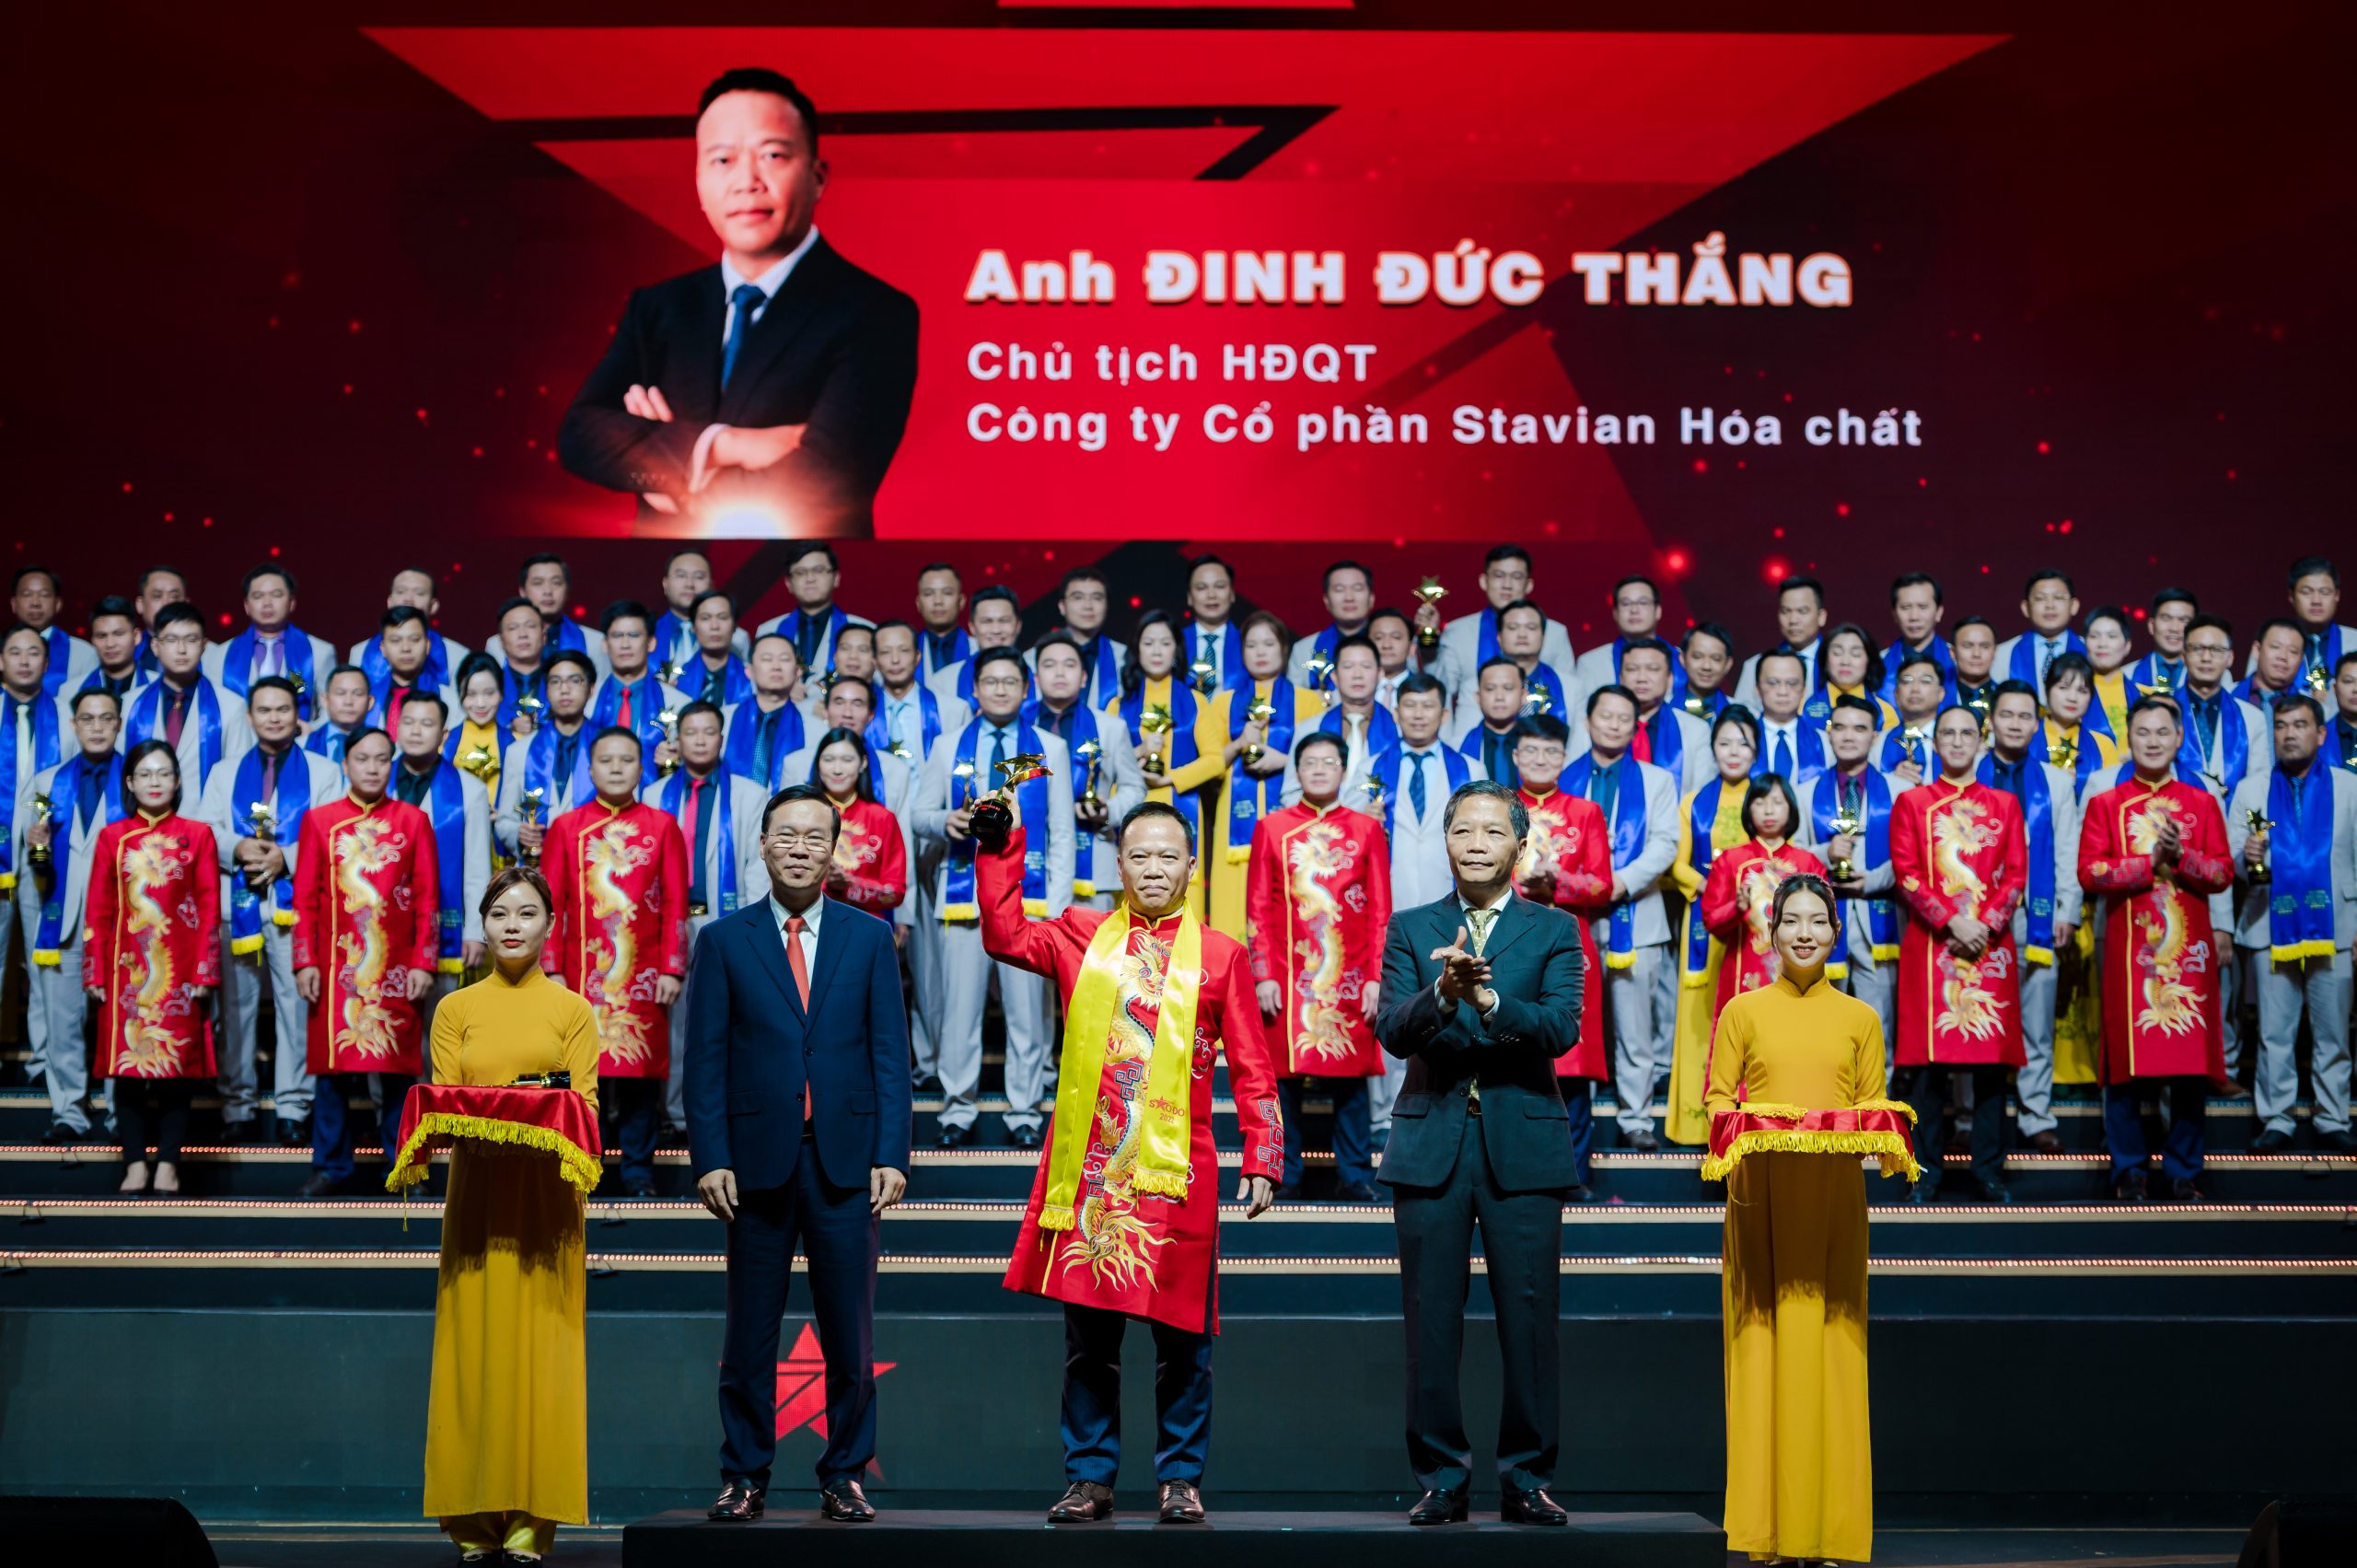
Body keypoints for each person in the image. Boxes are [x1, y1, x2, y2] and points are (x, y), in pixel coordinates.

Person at [973, 793, 1281, 1525]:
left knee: (1185, 1342)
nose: (1153, 868)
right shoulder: (1080, 934)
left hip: (1179, 1175)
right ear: (1118, 863)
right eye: (1139, 855)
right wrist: (999, 845)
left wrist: (1263, 1152)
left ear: (1192, 865)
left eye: (1168, 855)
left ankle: (1180, 1478)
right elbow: (1004, 934)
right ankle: (1090, 1477)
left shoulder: (1221, 954)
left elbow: (1253, 1064)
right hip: (1092, 1174)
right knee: (1089, 1343)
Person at [559, 66, 919, 535]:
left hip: (800, 568)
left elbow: (826, 479)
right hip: (664, 570)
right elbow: (581, 435)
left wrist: (671, 468)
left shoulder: (876, 312)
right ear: (699, 183)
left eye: (772, 155)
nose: (747, 180)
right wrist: (723, 445)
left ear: (817, 177)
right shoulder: (659, 308)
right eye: (723, 160)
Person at [686, 784, 912, 1525]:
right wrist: (710, 1155)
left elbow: (890, 1052)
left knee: (850, 1333)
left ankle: (844, 1472)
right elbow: (705, 1058)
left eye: (816, 836)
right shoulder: (724, 940)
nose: (800, 847)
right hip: (754, 1163)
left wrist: (892, 1151)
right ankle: (744, 1473)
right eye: (786, 834)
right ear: (762, 844)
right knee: (749, 1332)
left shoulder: (868, 938)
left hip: (846, 1161)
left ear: (834, 849)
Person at [1376, 779, 1584, 1527]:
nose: (1476, 844)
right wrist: (1442, 994)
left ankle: (1527, 1478)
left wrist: (1488, 1001)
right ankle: (1442, 1477)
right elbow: (1391, 1029)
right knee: (1431, 1321)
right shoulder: (1412, 926)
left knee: (1529, 1320)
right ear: (1446, 840)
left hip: (1523, 1144)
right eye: (1463, 830)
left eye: (1493, 832)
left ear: (1520, 846)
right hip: (1431, 1140)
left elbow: (1561, 1028)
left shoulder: (1555, 929)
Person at [1704, 874, 1896, 1568]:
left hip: (1835, 1196)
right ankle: (1767, 1531)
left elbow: (1873, 1106)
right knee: (1762, 1349)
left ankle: (1830, 1531)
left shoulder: (1860, 1017)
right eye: (1792, 921)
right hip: (1760, 1196)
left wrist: (1873, 1132)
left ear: (1836, 933)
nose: (1805, 932)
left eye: (1818, 921)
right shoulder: (1742, 1011)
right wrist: (1759, 1126)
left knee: (1833, 1349)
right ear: (1771, 931)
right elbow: (1718, 1103)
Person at [423, 866, 602, 1562]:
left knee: (543, 1354)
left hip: (548, 1204)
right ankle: (472, 1519)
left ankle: (534, 1518)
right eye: (499, 913)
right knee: (472, 1352)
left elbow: (585, 1108)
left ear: (550, 924)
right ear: (483, 923)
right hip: (476, 1197)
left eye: (527, 913)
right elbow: (443, 1101)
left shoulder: (573, 1010)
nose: (513, 925)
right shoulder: (455, 1008)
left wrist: (529, 1109)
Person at [912, 646, 1075, 1145]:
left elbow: (1062, 831)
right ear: (975, 689)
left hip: (1028, 901)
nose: (1000, 689)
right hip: (964, 896)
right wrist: (944, 820)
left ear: (1026, 689)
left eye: (1010, 681)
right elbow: (918, 815)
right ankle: (957, 1108)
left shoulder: (1048, 748)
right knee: (959, 1011)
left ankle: (1024, 1110)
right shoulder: (948, 746)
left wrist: (1058, 909)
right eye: (991, 681)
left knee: (1028, 1013)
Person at [2080, 698, 2235, 1201]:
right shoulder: (2106, 803)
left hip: (2188, 956)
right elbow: (2091, 872)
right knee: (2123, 1066)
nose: (2152, 741)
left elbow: (2221, 873)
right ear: (2130, 738)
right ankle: (2129, 1168)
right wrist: (2149, 863)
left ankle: (2183, 1169)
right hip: (2130, 954)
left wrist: (2182, 855)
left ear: (2178, 739)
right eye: (2143, 732)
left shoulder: (2202, 803)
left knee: (2189, 1068)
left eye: (2162, 732)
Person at [541, 728, 688, 1198]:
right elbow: (551, 905)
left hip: (644, 974)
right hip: (579, 974)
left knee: (641, 1074)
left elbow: (675, 903)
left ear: (641, 768)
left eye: (627, 760)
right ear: (590, 769)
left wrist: (672, 967)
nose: (617, 768)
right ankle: (584, 1164)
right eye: (607, 760)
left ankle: (637, 1169)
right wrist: (551, 968)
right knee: (582, 1075)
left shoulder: (662, 826)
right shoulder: (566, 827)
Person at [293, 728, 439, 1198]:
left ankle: (405, 1166)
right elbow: (306, 899)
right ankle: (331, 1166)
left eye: (381, 759)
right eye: (362, 759)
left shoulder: (413, 821)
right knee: (331, 1073)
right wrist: (304, 961)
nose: (372, 768)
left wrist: (424, 962)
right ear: (345, 764)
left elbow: (427, 898)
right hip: (333, 967)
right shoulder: (319, 822)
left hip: (396, 967)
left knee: (398, 1071)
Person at [1890, 706, 2027, 1203]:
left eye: (1966, 733)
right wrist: (1951, 920)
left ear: (1981, 742)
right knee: (1927, 1069)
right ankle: (1926, 1171)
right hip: (1933, 944)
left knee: (1991, 1068)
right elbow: (1907, 873)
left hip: (1989, 946)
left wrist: (1983, 924)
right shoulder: (1911, 802)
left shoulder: (2005, 804)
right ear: (1935, 743)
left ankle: (1989, 1170)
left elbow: (2016, 874)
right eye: (1946, 733)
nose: (1956, 741)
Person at [1248, 732, 1391, 1201]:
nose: (1319, 769)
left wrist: (1376, 977)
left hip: (1350, 972)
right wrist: (1263, 974)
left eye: (1329, 761)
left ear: (1343, 770)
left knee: (1350, 1077)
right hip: (1287, 973)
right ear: (1297, 770)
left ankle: (1354, 1172)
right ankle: (1285, 1172)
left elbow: (1380, 910)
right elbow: (1258, 907)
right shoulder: (1271, 827)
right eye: (1310, 762)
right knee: (1283, 1079)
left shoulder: (1366, 829)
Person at [195, 676, 337, 1146]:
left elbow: (331, 832)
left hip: (294, 909)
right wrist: (238, 847)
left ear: (298, 715)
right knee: (235, 1012)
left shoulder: (323, 771)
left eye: (283, 709)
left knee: (297, 1008)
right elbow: (204, 830)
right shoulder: (224, 772)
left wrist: (286, 858)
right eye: (264, 710)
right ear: (250, 717)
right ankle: (238, 1105)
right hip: (234, 909)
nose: (274, 718)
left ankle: (294, 1106)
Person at [84, 739, 221, 1194]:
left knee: (177, 1068)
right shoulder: (112, 837)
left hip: (180, 973)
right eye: (145, 774)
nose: (155, 782)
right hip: (125, 971)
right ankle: (134, 1163)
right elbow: (99, 910)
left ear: (177, 781)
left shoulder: (198, 835)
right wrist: (94, 972)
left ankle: (167, 1163)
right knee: (127, 1069)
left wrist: (205, 971)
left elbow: (209, 907)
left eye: (163, 773)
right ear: (129, 783)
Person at [2228, 695, 2357, 1153]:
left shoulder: (2349, 787)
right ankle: (2277, 1117)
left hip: (2337, 925)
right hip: (2270, 923)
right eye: (2281, 726)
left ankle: (2332, 1116)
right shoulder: (2253, 791)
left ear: (2321, 734)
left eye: (2300, 725)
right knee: (2273, 1033)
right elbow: (2235, 864)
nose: (2289, 734)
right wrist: (2248, 859)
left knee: (2333, 1033)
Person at [651, 701, 772, 1138]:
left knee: (732, 1020)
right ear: (677, 740)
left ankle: (732, 1112)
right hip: (669, 925)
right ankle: (676, 1115)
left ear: (721, 739)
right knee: (674, 1025)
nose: (700, 741)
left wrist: (754, 930)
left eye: (709, 732)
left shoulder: (750, 794)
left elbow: (758, 866)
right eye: (691, 733)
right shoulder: (654, 795)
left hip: (726, 922)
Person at [1569, 685, 1680, 1150]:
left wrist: (1621, 881)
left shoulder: (1656, 780)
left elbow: (1666, 842)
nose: (1613, 725)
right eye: (1605, 715)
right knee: (1574, 1019)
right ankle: (1571, 1112)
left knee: (1635, 1027)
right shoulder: (1565, 775)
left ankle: (1636, 1117)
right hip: (1573, 916)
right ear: (1588, 720)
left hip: (1636, 914)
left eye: (1623, 718)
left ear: (1635, 727)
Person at [1362, 674, 1471, 1146]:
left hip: (1452, 908)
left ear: (1444, 713)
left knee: (1449, 1006)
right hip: (1390, 906)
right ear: (1396, 712)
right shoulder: (1371, 767)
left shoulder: (1468, 766)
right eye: (1410, 706)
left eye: (1428, 706)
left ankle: (1447, 1108)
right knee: (1394, 1008)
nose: (1419, 714)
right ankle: (1384, 1119)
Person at [1167, 610, 1322, 943]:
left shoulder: (1309, 702)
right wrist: (1239, 744)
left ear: (1283, 649)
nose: (1260, 652)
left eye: (1269, 643)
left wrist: (1284, 761)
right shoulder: (1223, 704)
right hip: (1232, 827)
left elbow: (1323, 763)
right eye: (1252, 645)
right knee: (1233, 912)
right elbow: (1212, 764)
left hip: (1295, 820)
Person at [1507, 715, 1612, 1197]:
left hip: (1571, 946)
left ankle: (1573, 1175)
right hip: (1509, 941)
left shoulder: (1586, 812)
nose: (1540, 760)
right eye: (1530, 751)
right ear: (1515, 756)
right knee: (1513, 1061)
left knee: (1572, 1065)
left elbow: (1602, 884)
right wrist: (1519, 885)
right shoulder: (1498, 810)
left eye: (1550, 752)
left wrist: (1559, 882)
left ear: (1565, 758)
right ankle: (1515, 1173)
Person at [17, 688, 126, 1143]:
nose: (97, 727)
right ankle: (69, 1111)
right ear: (73, 725)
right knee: (63, 1020)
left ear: (119, 724)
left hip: (121, 919)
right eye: (88, 719)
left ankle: (122, 1112)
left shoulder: (137, 778)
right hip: (63, 915)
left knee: (121, 1019)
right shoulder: (46, 781)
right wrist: (37, 846)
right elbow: (37, 859)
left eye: (106, 718)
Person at [1978, 683, 2083, 1154]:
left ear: (2037, 725)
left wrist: (2067, 911)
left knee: (2036, 1022)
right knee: (1975, 1013)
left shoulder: (2056, 782)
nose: (2016, 724)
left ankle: (2035, 1113)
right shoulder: (1968, 773)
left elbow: (2067, 851)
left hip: (2035, 916)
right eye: (2007, 715)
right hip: (1980, 920)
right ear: (1991, 722)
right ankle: (1970, 1115)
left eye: (2025, 717)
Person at [1666, 707, 1762, 1146]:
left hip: (1757, 924)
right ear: (1713, 749)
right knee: (1702, 1020)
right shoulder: (1693, 803)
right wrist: (1716, 886)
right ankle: (1697, 1123)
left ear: (1756, 750)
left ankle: (1756, 1115)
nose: (1733, 751)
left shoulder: (1766, 799)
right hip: (1707, 920)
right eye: (1725, 743)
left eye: (1743, 743)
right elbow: (1678, 866)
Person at [1796, 696, 1910, 1068]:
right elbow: (1791, 854)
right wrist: (1824, 852)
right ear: (1829, 733)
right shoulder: (1805, 792)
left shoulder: (1899, 791)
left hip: (1880, 915)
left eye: (1859, 728)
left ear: (1875, 736)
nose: (1848, 736)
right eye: (1840, 727)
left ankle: (1878, 1095)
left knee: (1878, 1023)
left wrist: (1872, 880)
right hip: (1823, 919)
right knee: (1819, 1024)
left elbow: (1910, 857)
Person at [389, 694, 491, 1021]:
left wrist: (474, 932)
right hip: (385, 923)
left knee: (439, 1025)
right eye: (408, 722)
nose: (416, 731)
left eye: (427, 723)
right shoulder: (377, 780)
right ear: (396, 728)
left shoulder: (469, 789)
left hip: (444, 925)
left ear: (444, 734)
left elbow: (477, 868)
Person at [1701, 775, 1833, 1026]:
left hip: (1798, 971)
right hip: (1742, 972)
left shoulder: (1808, 863)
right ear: (1748, 809)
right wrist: (1737, 908)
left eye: (1777, 802)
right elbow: (1710, 920)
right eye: (1760, 802)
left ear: (1791, 808)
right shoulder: (1730, 861)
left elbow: (1826, 920)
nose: (1769, 810)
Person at [1029, 633, 1144, 912]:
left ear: (1083, 678)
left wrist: (1108, 811)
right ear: (1036, 679)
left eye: (1069, 665)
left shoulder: (1110, 728)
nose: (1059, 672)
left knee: (1092, 942)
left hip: (1093, 868)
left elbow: (1134, 787)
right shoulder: (1020, 725)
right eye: (1049, 665)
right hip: (1028, 862)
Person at [1114, 610, 1210, 917]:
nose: (1157, 651)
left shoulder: (1195, 701)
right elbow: (1107, 766)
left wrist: (1168, 779)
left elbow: (1215, 760)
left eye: (1165, 643)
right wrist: (1140, 751)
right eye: (1149, 643)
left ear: (1176, 650)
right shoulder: (1118, 705)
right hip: (1132, 807)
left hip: (1180, 804)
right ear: (1137, 649)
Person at [126, 602, 253, 787]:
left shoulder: (231, 706)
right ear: (155, 646)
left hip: (206, 806)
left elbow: (239, 776)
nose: (181, 650)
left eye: (191, 640)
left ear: (204, 645)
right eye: (171, 640)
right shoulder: (130, 704)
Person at [1433, 545, 1579, 701]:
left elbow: (1568, 691)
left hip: (1540, 714)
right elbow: (1442, 691)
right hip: (1473, 713)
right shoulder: (1457, 632)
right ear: (1484, 581)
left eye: (1516, 577)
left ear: (1529, 585)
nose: (1507, 585)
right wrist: (1428, 644)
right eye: (1499, 576)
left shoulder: (1554, 632)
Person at [493, 652, 599, 860]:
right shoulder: (518, 751)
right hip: (537, 868)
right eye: (555, 681)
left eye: (574, 680)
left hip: (593, 865)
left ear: (591, 689)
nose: (564, 689)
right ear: (547, 691)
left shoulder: (609, 748)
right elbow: (504, 821)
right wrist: (519, 834)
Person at [203, 564, 336, 721]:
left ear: (292, 602)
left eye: (276, 595)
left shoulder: (320, 652)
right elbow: (212, 712)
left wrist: (310, 732)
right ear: (246, 606)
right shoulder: (219, 655)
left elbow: (330, 711)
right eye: (258, 596)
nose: (267, 603)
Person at [807, 726, 909, 919]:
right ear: (818, 763)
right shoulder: (803, 814)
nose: (837, 770)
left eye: (847, 760)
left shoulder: (882, 818)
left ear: (863, 763)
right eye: (828, 760)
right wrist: (826, 883)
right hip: (809, 922)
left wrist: (849, 885)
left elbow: (896, 892)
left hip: (866, 925)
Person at [588, 602, 689, 774]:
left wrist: (675, 761)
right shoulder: (586, 701)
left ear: (651, 643)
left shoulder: (680, 704)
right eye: (617, 635)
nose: (625, 644)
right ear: (605, 644)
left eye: (634, 635)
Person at [488, 554, 609, 679]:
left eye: (556, 583)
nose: (548, 591)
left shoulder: (595, 642)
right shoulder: (497, 644)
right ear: (522, 591)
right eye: (538, 583)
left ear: (567, 589)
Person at [349, 567, 466, 695]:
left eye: (419, 593)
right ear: (389, 601)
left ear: (434, 605)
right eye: (401, 592)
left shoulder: (457, 655)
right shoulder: (360, 652)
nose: (408, 599)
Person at [722, 633, 813, 793]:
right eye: (767, 659)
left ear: (798, 671)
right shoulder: (723, 720)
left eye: (784, 659)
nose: (776, 666)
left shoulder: (814, 729)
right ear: (749, 670)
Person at [1309, 635, 1397, 801]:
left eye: (1366, 666)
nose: (1357, 675)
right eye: (1348, 666)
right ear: (1334, 676)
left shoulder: (1398, 729)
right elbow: (1291, 791)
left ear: (1380, 674)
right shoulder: (1309, 728)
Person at [872, 619, 966, 772]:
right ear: (875, 661)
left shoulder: (953, 711)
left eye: (904, 650)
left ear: (917, 656)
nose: (895, 660)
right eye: (885, 652)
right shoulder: (862, 712)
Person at [758, 544, 874, 668]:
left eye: (818, 570)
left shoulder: (865, 630)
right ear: (788, 583)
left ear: (836, 578)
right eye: (800, 573)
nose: (810, 578)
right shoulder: (769, 630)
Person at [1623, 636, 1708, 793]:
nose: (1641, 678)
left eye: (1653, 669)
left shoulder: (1696, 730)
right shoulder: (1600, 726)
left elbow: (1701, 793)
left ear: (1669, 678)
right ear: (1620, 677)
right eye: (1632, 669)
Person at [1033, 569, 1126, 710]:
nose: (1088, 606)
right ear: (1062, 606)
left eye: (1097, 598)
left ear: (1107, 605)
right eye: (1078, 598)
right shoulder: (1032, 659)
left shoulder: (1125, 657)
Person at [1570, 575, 1671, 699]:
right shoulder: (1591, 663)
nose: (1634, 610)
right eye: (1625, 604)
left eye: (1643, 602)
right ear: (1615, 613)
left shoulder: (1679, 658)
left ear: (1658, 611)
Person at [1733, 576, 1828, 709]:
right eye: (1786, 611)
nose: (1793, 620)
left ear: (1821, 617)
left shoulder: (1837, 665)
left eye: (1802, 611)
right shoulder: (1755, 665)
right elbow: (1741, 717)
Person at [926, 586, 1028, 707]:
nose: (996, 630)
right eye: (987, 621)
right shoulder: (943, 681)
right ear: (972, 627)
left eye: (1004, 621)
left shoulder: (1039, 675)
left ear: (1018, 625)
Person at [2266, 555, 2354, 694]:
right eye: (2306, 592)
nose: (2316, 601)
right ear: (2291, 596)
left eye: (2325, 592)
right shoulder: (2270, 643)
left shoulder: (2354, 641)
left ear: (2337, 595)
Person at [2035, 652, 2119, 796]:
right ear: (2047, 689)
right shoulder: (2027, 738)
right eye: (2063, 688)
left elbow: (2111, 798)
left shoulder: (2103, 745)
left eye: (2082, 691)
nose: (2072, 698)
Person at [651, 549, 749, 672]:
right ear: (665, 584)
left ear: (711, 585)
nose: (689, 584)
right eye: (681, 575)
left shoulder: (737, 638)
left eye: (699, 577)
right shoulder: (649, 634)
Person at [1287, 559, 1377, 692]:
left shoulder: (1391, 646)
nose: (1349, 597)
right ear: (1327, 600)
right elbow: (1295, 700)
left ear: (1371, 598)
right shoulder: (1304, 650)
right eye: (1339, 589)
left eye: (1357, 589)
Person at [365, 607, 458, 732]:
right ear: (383, 648)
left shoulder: (450, 699)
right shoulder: (367, 699)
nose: (406, 648)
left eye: (414, 640)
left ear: (427, 645)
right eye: (396, 640)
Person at [11, 567, 98, 697]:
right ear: (13, 604)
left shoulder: (84, 653)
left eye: (44, 595)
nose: (35, 603)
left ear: (57, 604)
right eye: (27, 594)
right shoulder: (3, 649)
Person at [1450, 657, 1535, 788]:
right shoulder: (1455, 749)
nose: (1499, 697)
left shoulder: (1543, 749)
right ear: (1478, 697)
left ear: (1523, 696)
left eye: (1508, 688)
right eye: (1490, 689)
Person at [1749, 649, 1826, 791]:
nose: (1783, 692)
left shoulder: (1824, 742)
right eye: (1773, 683)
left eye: (1792, 683)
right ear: (1757, 688)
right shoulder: (1743, 740)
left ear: (1804, 689)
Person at [446, 654, 509, 806]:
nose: (480, 704)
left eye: (489, 694)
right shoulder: (445, 742)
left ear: (501, 694)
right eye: (471, 694)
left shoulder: (515, 744)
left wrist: (504, 814)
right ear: (459, 694)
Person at [1880, 571, 1953, 702]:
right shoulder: (1878, 664)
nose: (1914, 617)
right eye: (1905, 607)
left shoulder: (1957, 661)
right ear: (1894, 614)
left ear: (1939, 612)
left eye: (1922, 607)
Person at [1805, 623, 1895, 728]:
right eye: (1837, 653)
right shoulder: (1804, 709)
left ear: (1869, 661)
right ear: (1824, 659)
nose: (1845, 662)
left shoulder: (1885, 714)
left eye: (1856, 654)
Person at [678, 590, 755, 707]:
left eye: (723, 617)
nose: (714, 626)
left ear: (735, 626)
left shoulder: (753, 679)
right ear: (693, 627)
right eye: (705, 618)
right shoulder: (676, 678)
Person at [1878, 652, 1947, 782]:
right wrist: (1892, 779)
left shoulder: (1956, 740)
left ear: (1941, 693)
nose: (1915, 689)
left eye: (1925, 681)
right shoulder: (1878, 743)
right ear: (1896, 694)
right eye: (1907, 681)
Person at [1182, 554, 1246, 693]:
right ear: (1189, 597)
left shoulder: (1248, 644)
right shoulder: (1175, 643)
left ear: (1232, 593)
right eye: (1201, 588)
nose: (1211, 595)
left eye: (1220, 586)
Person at [490, 596, 553, 727]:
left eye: (530, 626)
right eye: (513, 628)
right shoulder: (488, 687)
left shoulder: (562, 683)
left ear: (544, 636)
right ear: (501, 641)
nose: (523, 634)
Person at [2129, 588, 2200, 702]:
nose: (2174, 628)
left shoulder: (2216, 677)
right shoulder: (2127, 675)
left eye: (2184, 620)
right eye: (2166, 618)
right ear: (2152, 625)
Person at [912, 562, 971, 683]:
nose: (938, 601)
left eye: (947, 593)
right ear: (918, 603)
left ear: (961, 601)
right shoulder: (907, 652)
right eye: (928, 594)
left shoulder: (976, 648)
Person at [80, 596, 145, 703]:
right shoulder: (72, 690)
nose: (110, 644)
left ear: (136, 637)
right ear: (93, 641)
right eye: (101, 636)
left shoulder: (159, 686)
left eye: (118, 634)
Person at [2084, 606, 2137, 738]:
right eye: (2094, 636)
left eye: (2112, 636)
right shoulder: (2072, 696)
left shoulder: (2142, 694)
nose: (2102, 644)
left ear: (2127, 646)